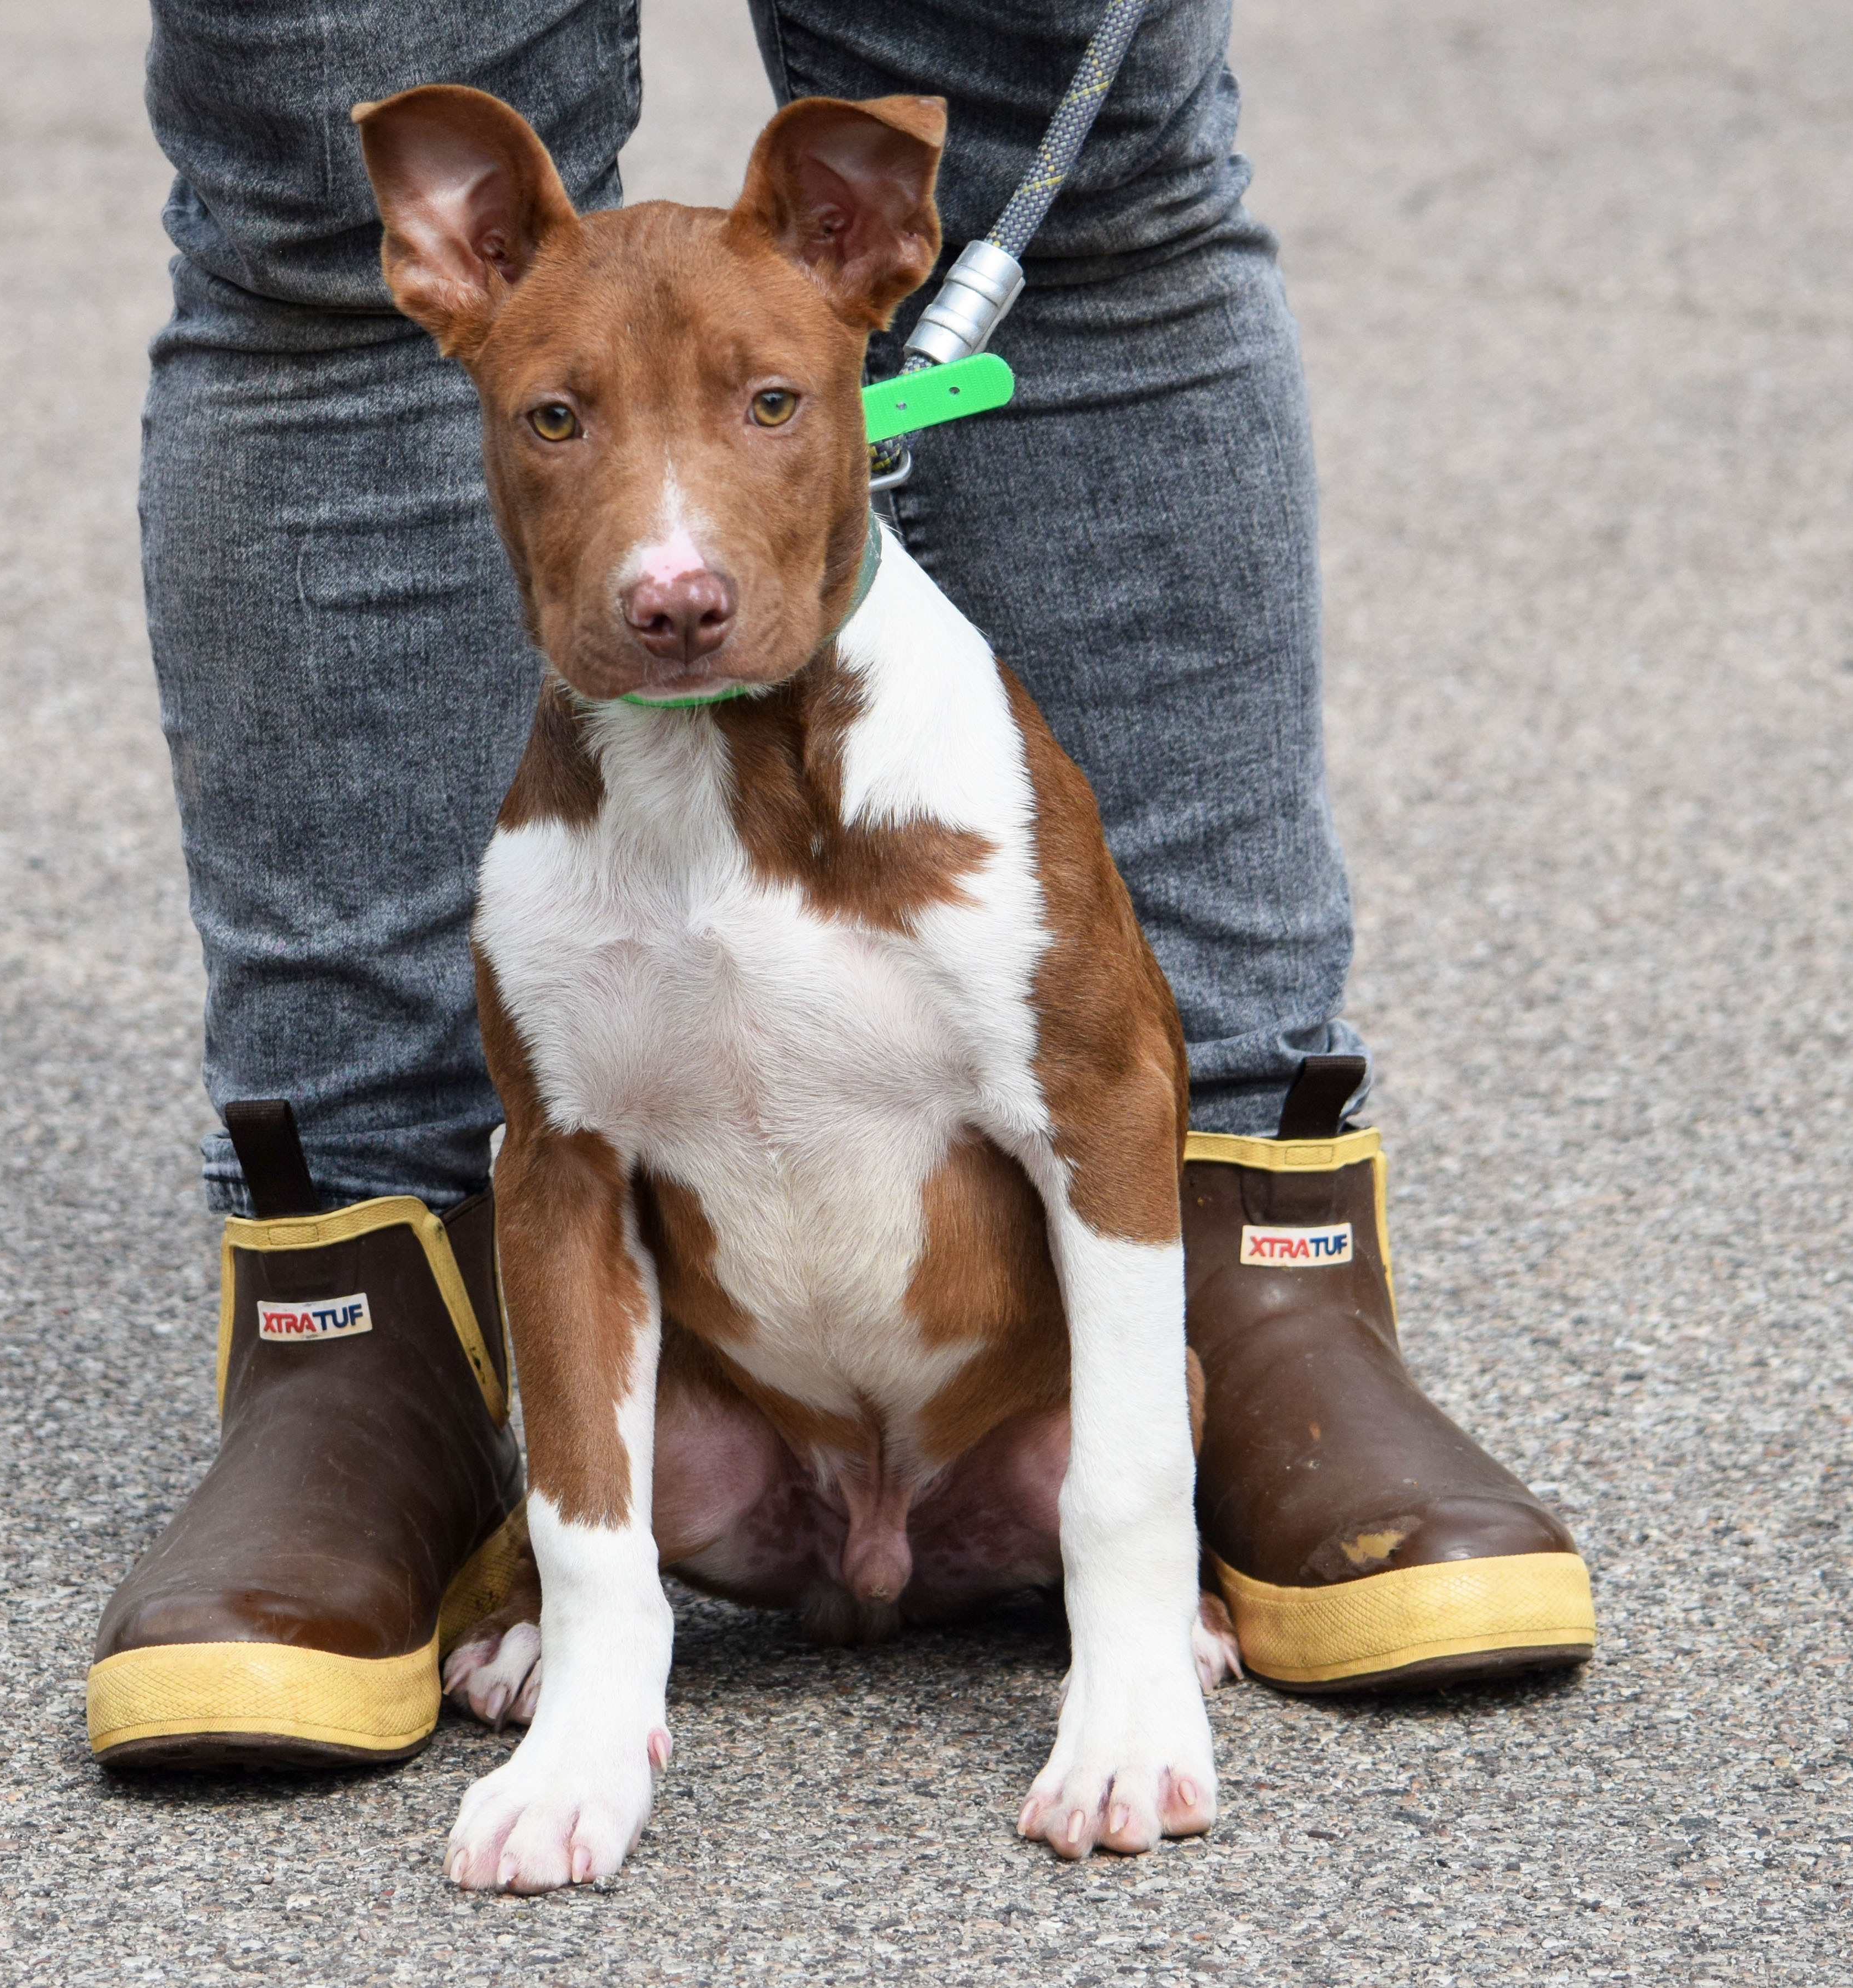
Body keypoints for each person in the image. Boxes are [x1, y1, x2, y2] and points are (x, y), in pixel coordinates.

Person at [85, 0, 1594, 1773]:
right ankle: (365, 1304)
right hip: (730, 1411)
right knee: (301, 108)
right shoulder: (549, 829)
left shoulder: (954, 767)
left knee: (1068, 123)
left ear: (870, 252)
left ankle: (1255, 1250)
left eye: (769, 406)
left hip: (1006, 1357)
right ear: (454, 262)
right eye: (564, 418)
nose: (671, 570)